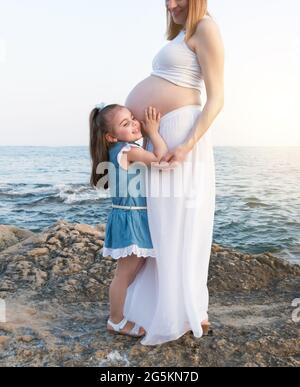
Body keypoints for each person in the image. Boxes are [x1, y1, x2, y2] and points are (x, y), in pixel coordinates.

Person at [123, 0, 225, 345]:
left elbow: (217, 98)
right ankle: (168, 306)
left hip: (182, 135)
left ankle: (191, 309)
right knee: (163, 225)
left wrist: (187, 144)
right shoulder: (181, 35)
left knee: (184, 223)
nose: (170, 4)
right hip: (162, 136)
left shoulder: (205, 28)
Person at [89, 104, 168, 338]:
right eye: (126, 123)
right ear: (111, 136)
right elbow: (160, 159)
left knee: (135, 267)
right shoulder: (127, 150)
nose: (134, 124)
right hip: (131, 216)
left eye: (133, 118)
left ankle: (128, 309)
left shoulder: (119, 149)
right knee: (124, 273)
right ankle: (115, 320)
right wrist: (153, 131)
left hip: (130, 214)